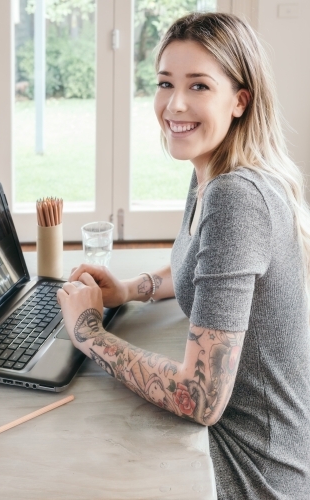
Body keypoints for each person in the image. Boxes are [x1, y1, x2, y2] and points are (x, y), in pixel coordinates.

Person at [57, 12, 310, 500]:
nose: (174, 104)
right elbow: (203, 263)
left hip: (252, 469)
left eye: (198, 86)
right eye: (165, 82)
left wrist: (87, 332)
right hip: (239, 441)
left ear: (240, 100)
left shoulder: (236, 197)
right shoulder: (214, 169)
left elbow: (199, 399)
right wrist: (131, 289)